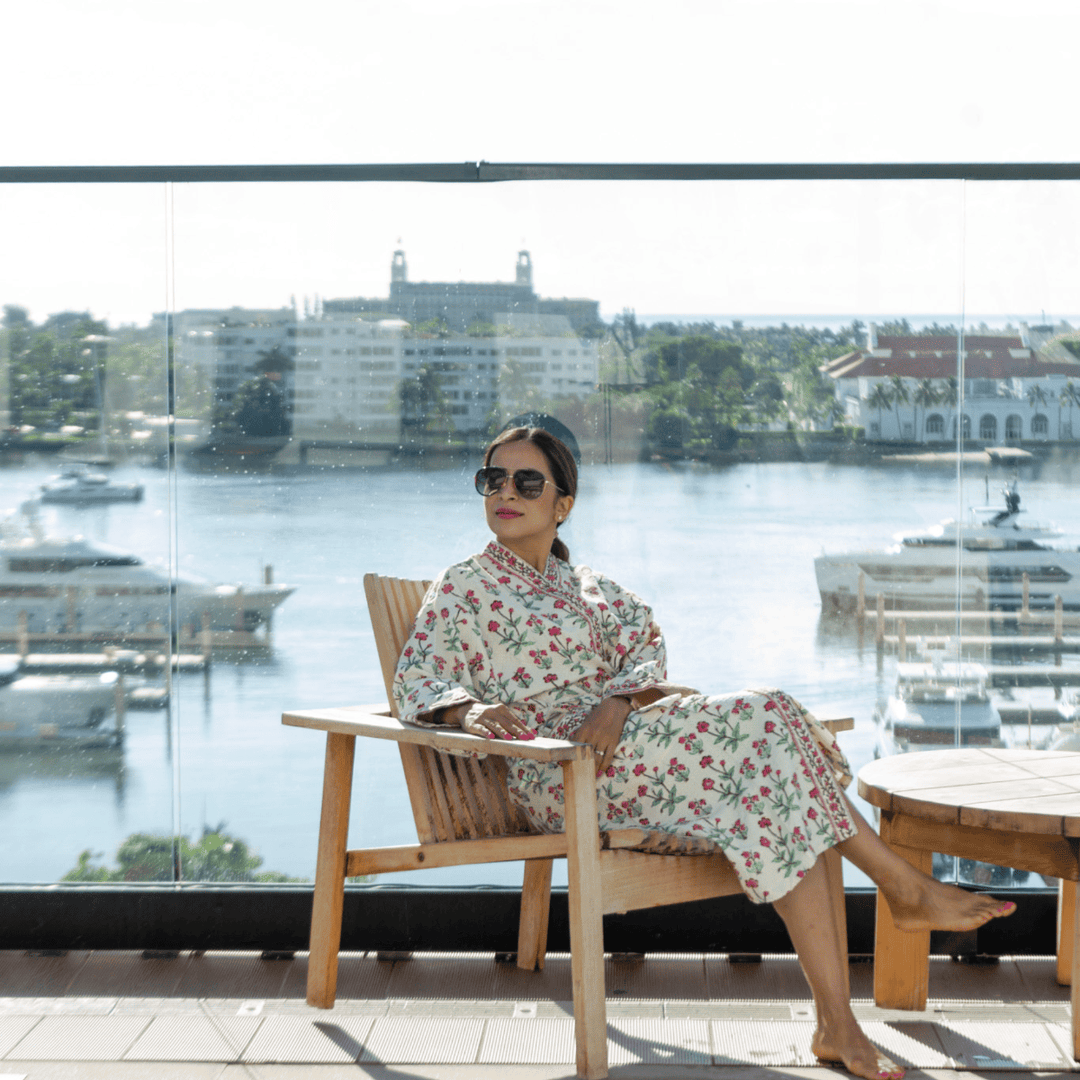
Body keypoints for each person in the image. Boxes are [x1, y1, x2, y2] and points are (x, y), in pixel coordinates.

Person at [394, 425, 1016, 1080]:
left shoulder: (590, 588)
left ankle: (840, 1021)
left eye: (526, 482)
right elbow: (419, 676)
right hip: (562, 770)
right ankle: (899, 894)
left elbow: (646, 647)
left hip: (631, 748)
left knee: (781, 777)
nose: (506, 493)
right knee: (772, 722)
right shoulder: (463, 587)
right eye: (492, 479)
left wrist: (619, 701)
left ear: (563, 505)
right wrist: (469, 711)